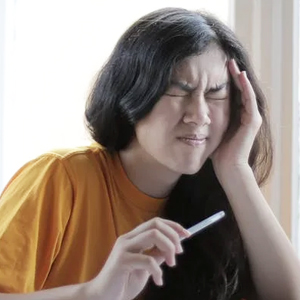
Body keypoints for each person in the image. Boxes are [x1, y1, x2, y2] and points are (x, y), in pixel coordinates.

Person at [0, 7, 299, 300]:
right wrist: (95, 293)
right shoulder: (61, 178)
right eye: (179, 90)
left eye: (215, 92)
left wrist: (236, 170)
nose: (199, 114)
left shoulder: (214, 198)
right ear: (133, 91)